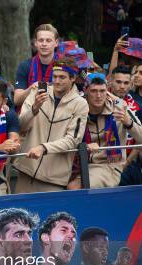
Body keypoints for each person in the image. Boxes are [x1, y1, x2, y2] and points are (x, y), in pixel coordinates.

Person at [14, 57, 89, 193]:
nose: (56, 81)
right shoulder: (38, 92)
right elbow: (20, 126)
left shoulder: (80, 104)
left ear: (73, 79)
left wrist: (44, 148)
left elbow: (73, 140)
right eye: (54, 76)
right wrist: (34, 109)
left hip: (54, 179)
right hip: (26, 169)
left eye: (62, 77)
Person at [69, 72, 142, 189]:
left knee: (74, 187)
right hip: (77, 162)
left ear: (107, 91)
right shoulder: (76, 108)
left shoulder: (119, 107)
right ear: (86, 91)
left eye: (102, 91)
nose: (98, 96)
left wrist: (128, 122)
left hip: (108, 164)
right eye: (93, 91)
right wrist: (83, 146)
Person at [14, 24, 59, 106]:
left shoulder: (63, 65)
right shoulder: (25, 66)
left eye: (48, 40)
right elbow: (17, 100)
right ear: (35, 43)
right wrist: (32, 88)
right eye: (41, 40)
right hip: (31, 112)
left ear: (56, 43)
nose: (44, 44)